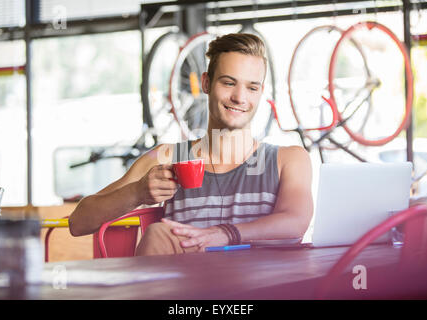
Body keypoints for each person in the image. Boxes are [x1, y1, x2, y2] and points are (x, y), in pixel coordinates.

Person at [68, 33, 313, 256]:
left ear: (261, 92)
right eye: (228, 83)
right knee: (157, 234)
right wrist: (137, 193)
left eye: (252, 87)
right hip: (189, 298)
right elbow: (78, 222)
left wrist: (225, 233)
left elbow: (295, 221)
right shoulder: (167, 157)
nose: (240, 97)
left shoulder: (288, 159)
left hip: (263, 292)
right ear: (206, 83)